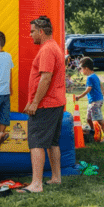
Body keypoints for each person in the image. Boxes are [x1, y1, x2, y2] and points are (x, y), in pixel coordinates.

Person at [20, 16, 67, 193]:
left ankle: (36, 184)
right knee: (53, 142)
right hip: (56, 102)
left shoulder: (47, 49)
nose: (30, 35)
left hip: (46, 104)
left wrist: (34, 103)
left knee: (37, 143)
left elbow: (45, 78)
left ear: (41, 32)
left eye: (32, 31)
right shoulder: (54, 47)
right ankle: (56, 178)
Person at [73, 57, 104, 141]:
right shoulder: (94, 75)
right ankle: (92, 132)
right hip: (96, 100)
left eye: (81, 69)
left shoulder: (89, 78)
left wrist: (79, 97)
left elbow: (88, 89)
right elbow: (100, 85)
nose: (81, 71)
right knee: (88, 119)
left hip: (95, 101)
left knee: (99, 119)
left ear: (86, 68)